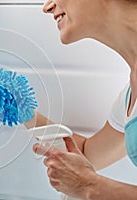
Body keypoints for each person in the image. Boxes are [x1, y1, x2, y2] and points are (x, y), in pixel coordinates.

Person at [25, 0, 137, 199]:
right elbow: (84, 154)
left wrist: (90, 186)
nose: (47, 6)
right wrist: (18, 108)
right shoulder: (130, 98)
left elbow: (84, 178)